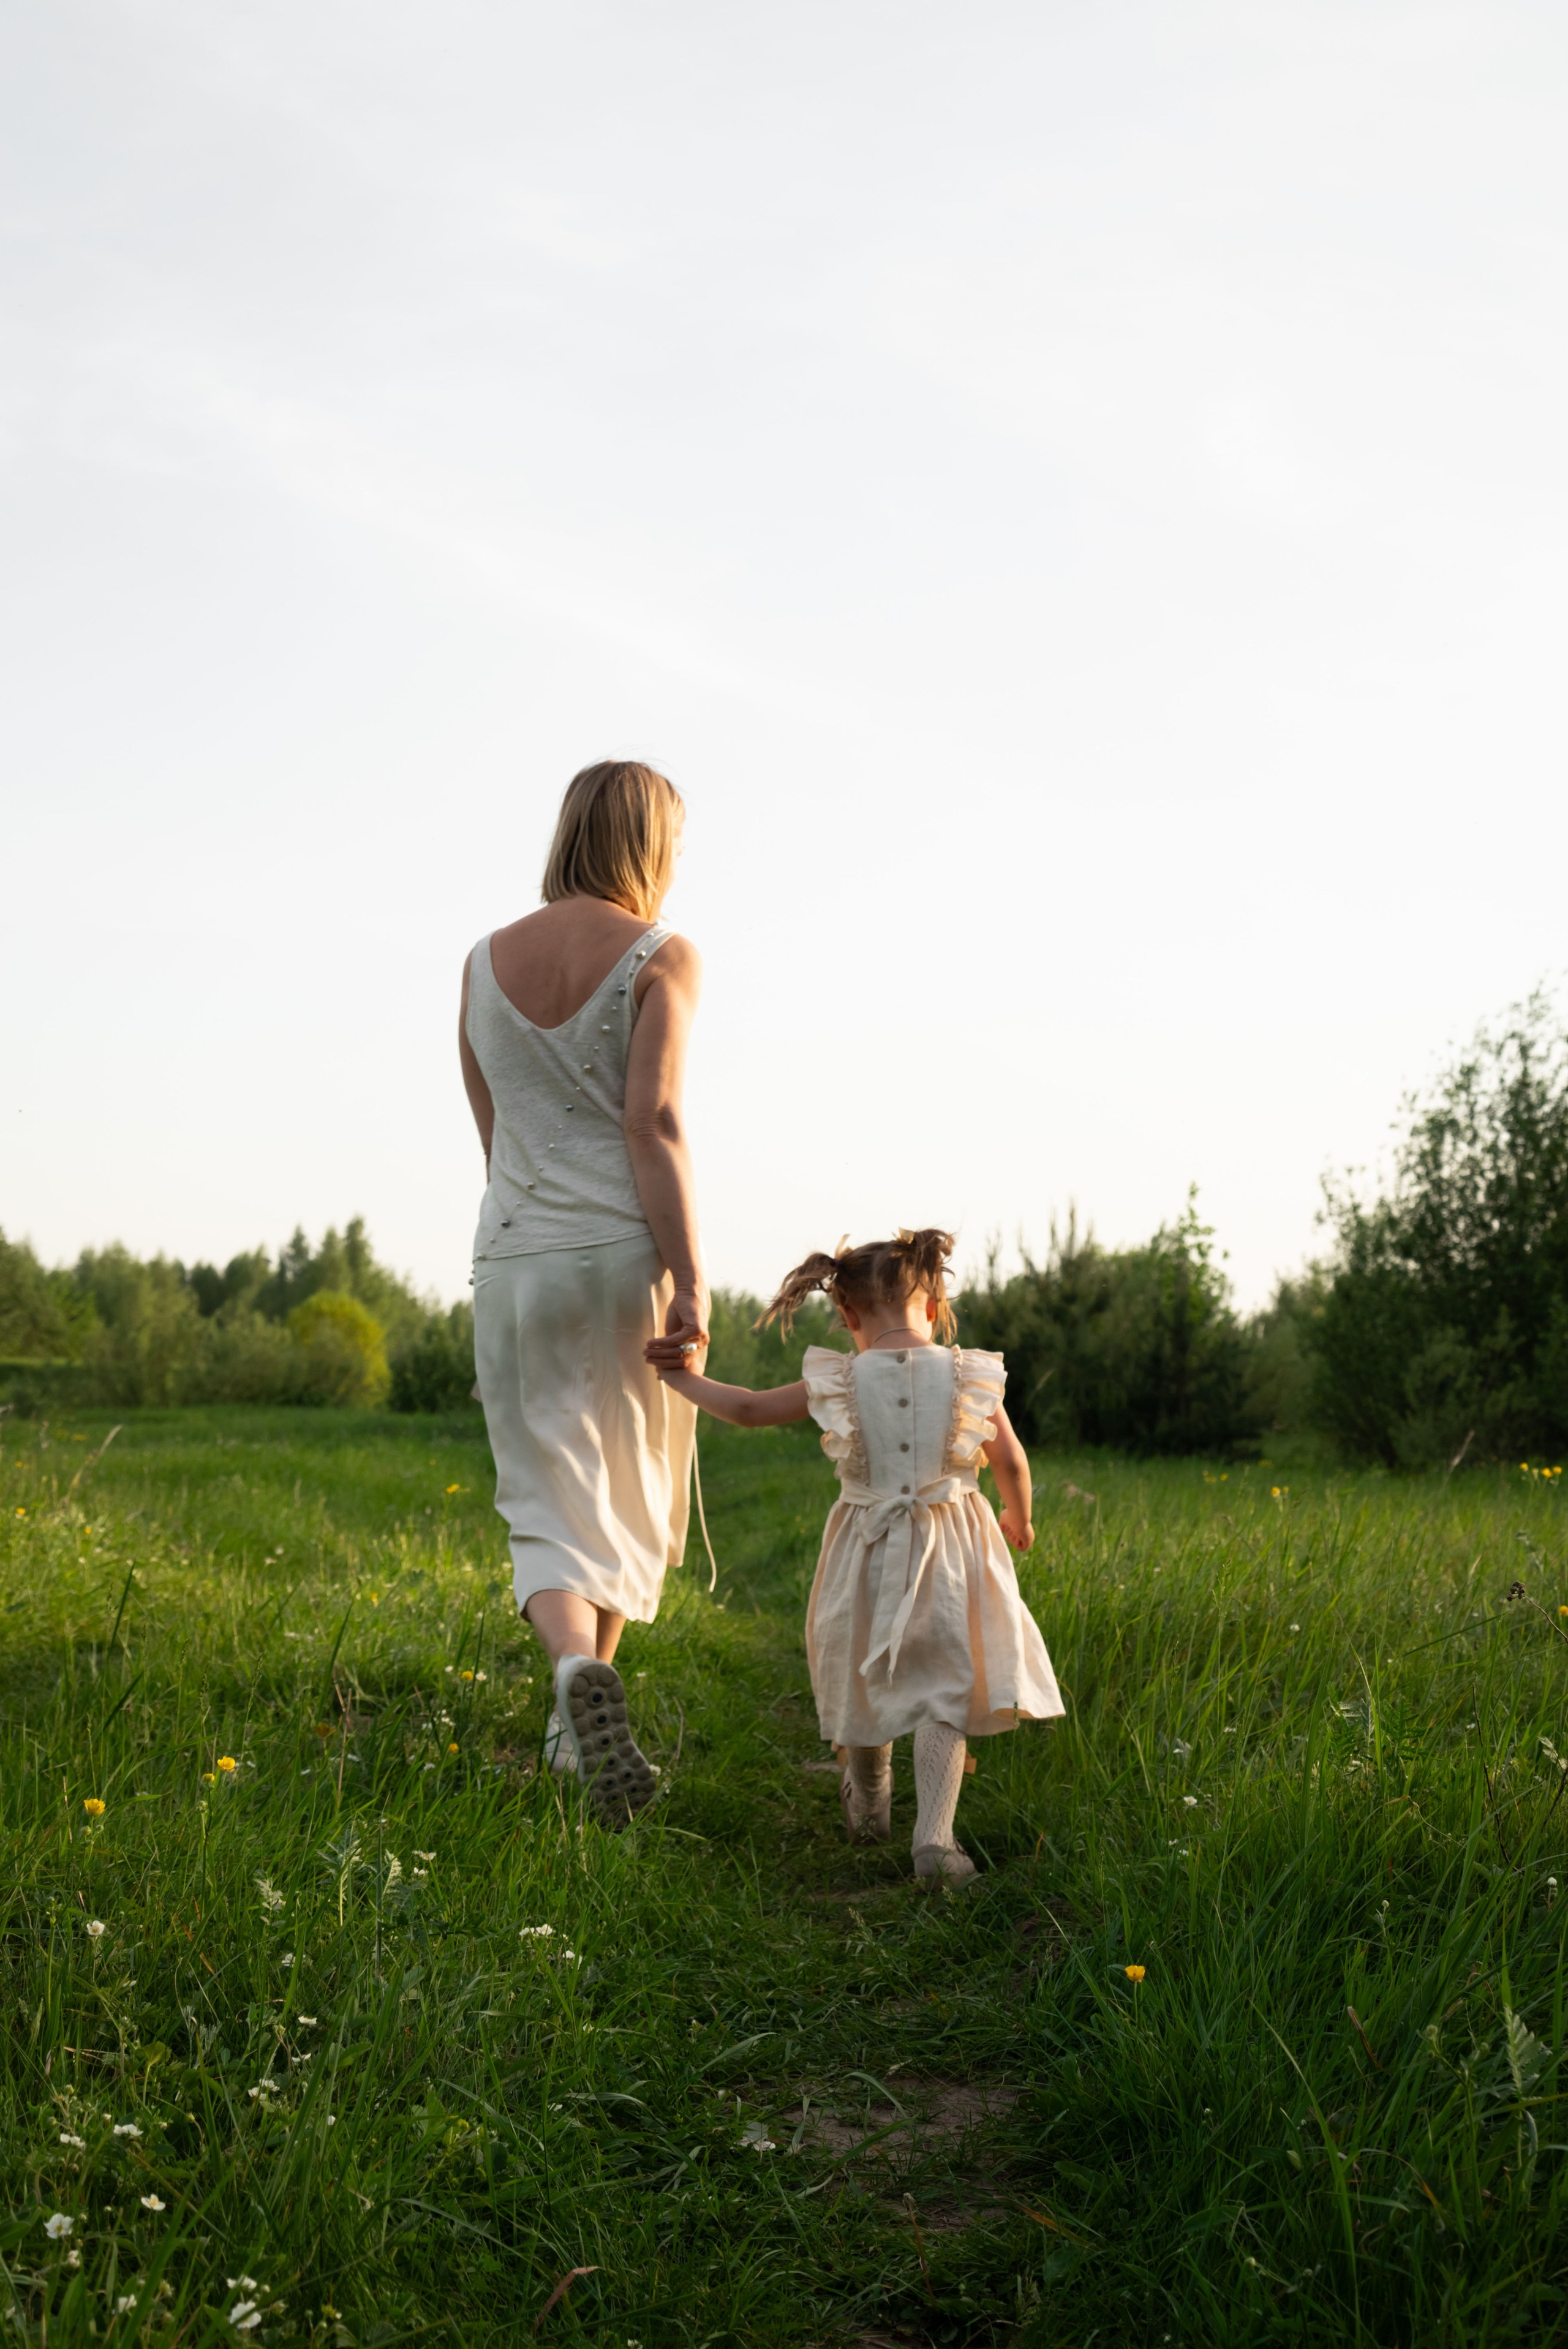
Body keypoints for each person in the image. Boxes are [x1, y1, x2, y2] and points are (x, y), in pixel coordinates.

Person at [648, 1229, 1061, 1880]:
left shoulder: (841, 1376)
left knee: (866, 1671)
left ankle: (868, 1798)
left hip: (863, 1546)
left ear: (847, 1315)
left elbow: (750, 1409)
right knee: (945, 1690)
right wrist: (1019, 1515)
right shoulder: (969, 1373)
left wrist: (683, 1379)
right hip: (952, 1549)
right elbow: (1009, 1458)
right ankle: (935, 1838)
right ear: (931, 1304)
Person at [460, 759, 706, 1827]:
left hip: (515, 1253)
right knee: (625, 1485)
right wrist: (691, 1278)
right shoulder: (665, 954)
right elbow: (651, 1122)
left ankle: (571, 1685)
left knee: (544, 1492)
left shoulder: (480, 962)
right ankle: (582, 1711)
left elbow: (494, 1131)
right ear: (650, 844)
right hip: (622, 1252)